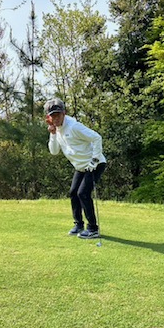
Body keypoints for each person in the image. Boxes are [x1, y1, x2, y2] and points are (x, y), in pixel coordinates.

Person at [45, 98, 107, 239]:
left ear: (64, 113)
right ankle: (78, 224)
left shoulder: (74, 126)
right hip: (80, 166)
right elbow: (54, 151)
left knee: (83, 193)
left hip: (95, 164)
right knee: (74, 193)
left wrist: (94, 160)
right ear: (49, 117)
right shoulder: (56, 130)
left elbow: (97, 138)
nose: (56, 119)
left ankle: (93, 229)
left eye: (58, 115)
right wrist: (52, 134)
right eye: (53, 116)